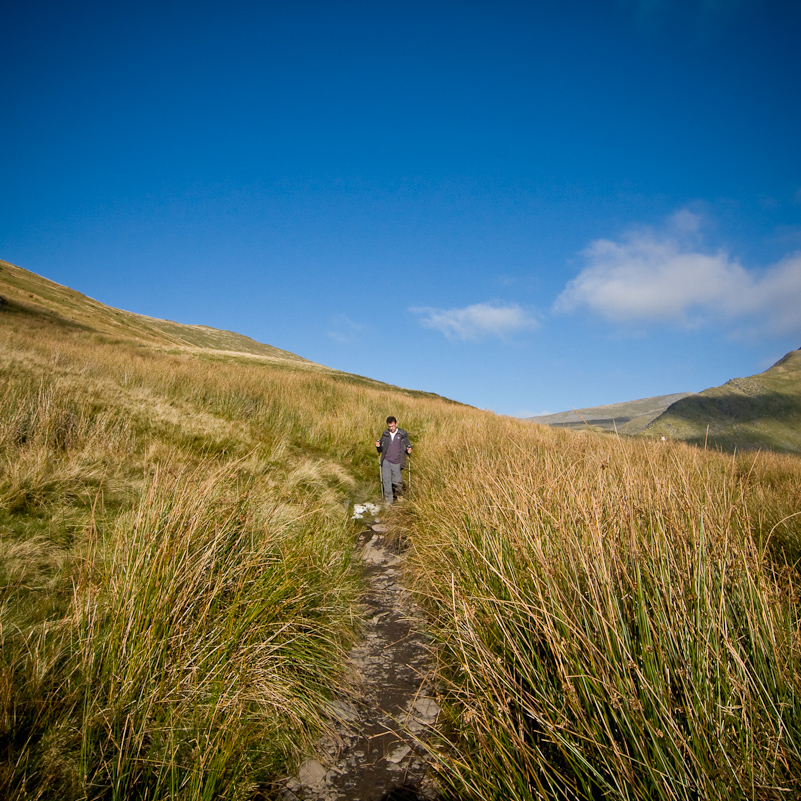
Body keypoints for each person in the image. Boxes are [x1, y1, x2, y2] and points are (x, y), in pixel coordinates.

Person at [375, 416, 412, 505]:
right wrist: (378, 446)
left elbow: (408, 446)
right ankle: (388, 501)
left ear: (396, 424)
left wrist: (409, 450)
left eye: (392, 426)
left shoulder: (402, 434)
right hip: (386, 461)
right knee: (386, 481)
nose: (391, 428)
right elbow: (381, 449)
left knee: (397, 482)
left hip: (397, 462)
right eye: (389, 426)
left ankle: (399, 497)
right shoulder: (385, 434)